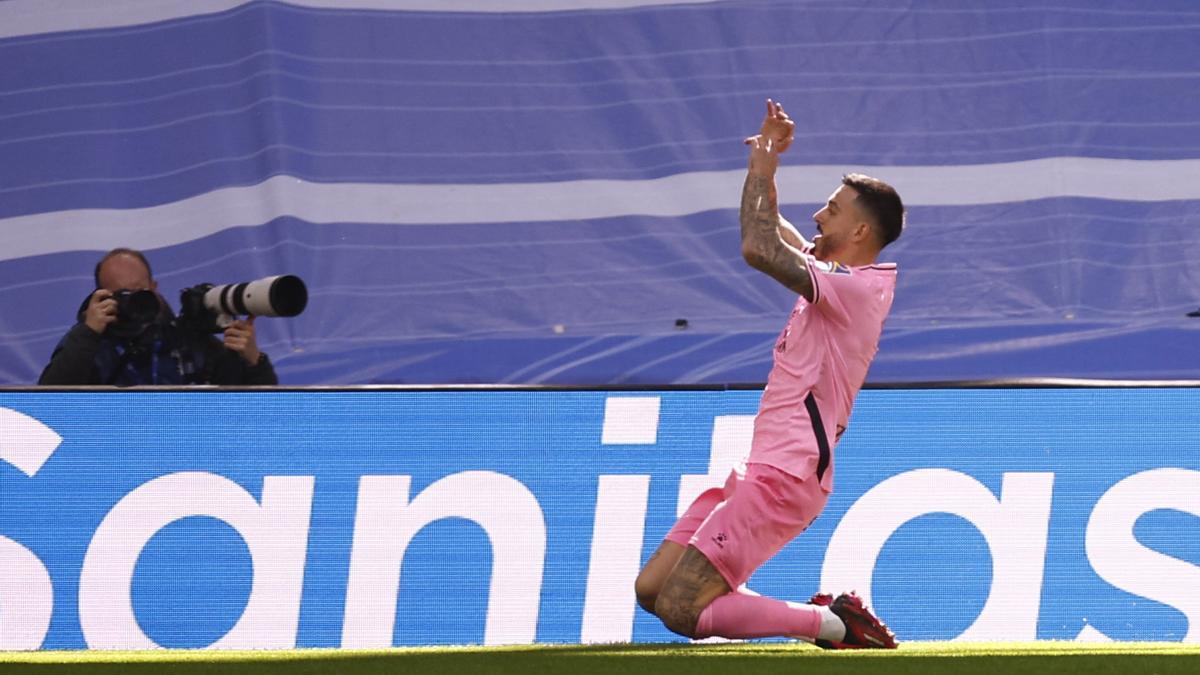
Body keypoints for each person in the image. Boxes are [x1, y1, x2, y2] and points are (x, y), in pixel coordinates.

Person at [634, 99, 904, 649]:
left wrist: (762, 172)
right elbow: (773, 229)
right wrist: (766, 163)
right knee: (654, 590)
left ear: (857, 231)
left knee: (684, 609)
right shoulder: (836, 274)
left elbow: (759, 246)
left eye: (831, 209)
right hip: (765, 468)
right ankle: (822, 617)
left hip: (788, 475)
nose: (817, 217)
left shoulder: (855, 287)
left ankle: (833, 625)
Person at [38, 248, 278, 386]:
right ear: (101, 296)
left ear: (154, 287)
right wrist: (87, 333)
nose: (133, 300)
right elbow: (48, 402)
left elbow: (260, 412)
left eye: (140, 290)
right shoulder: (90, 344)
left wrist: (254, 361)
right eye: (122, 294)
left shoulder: (185, 338)